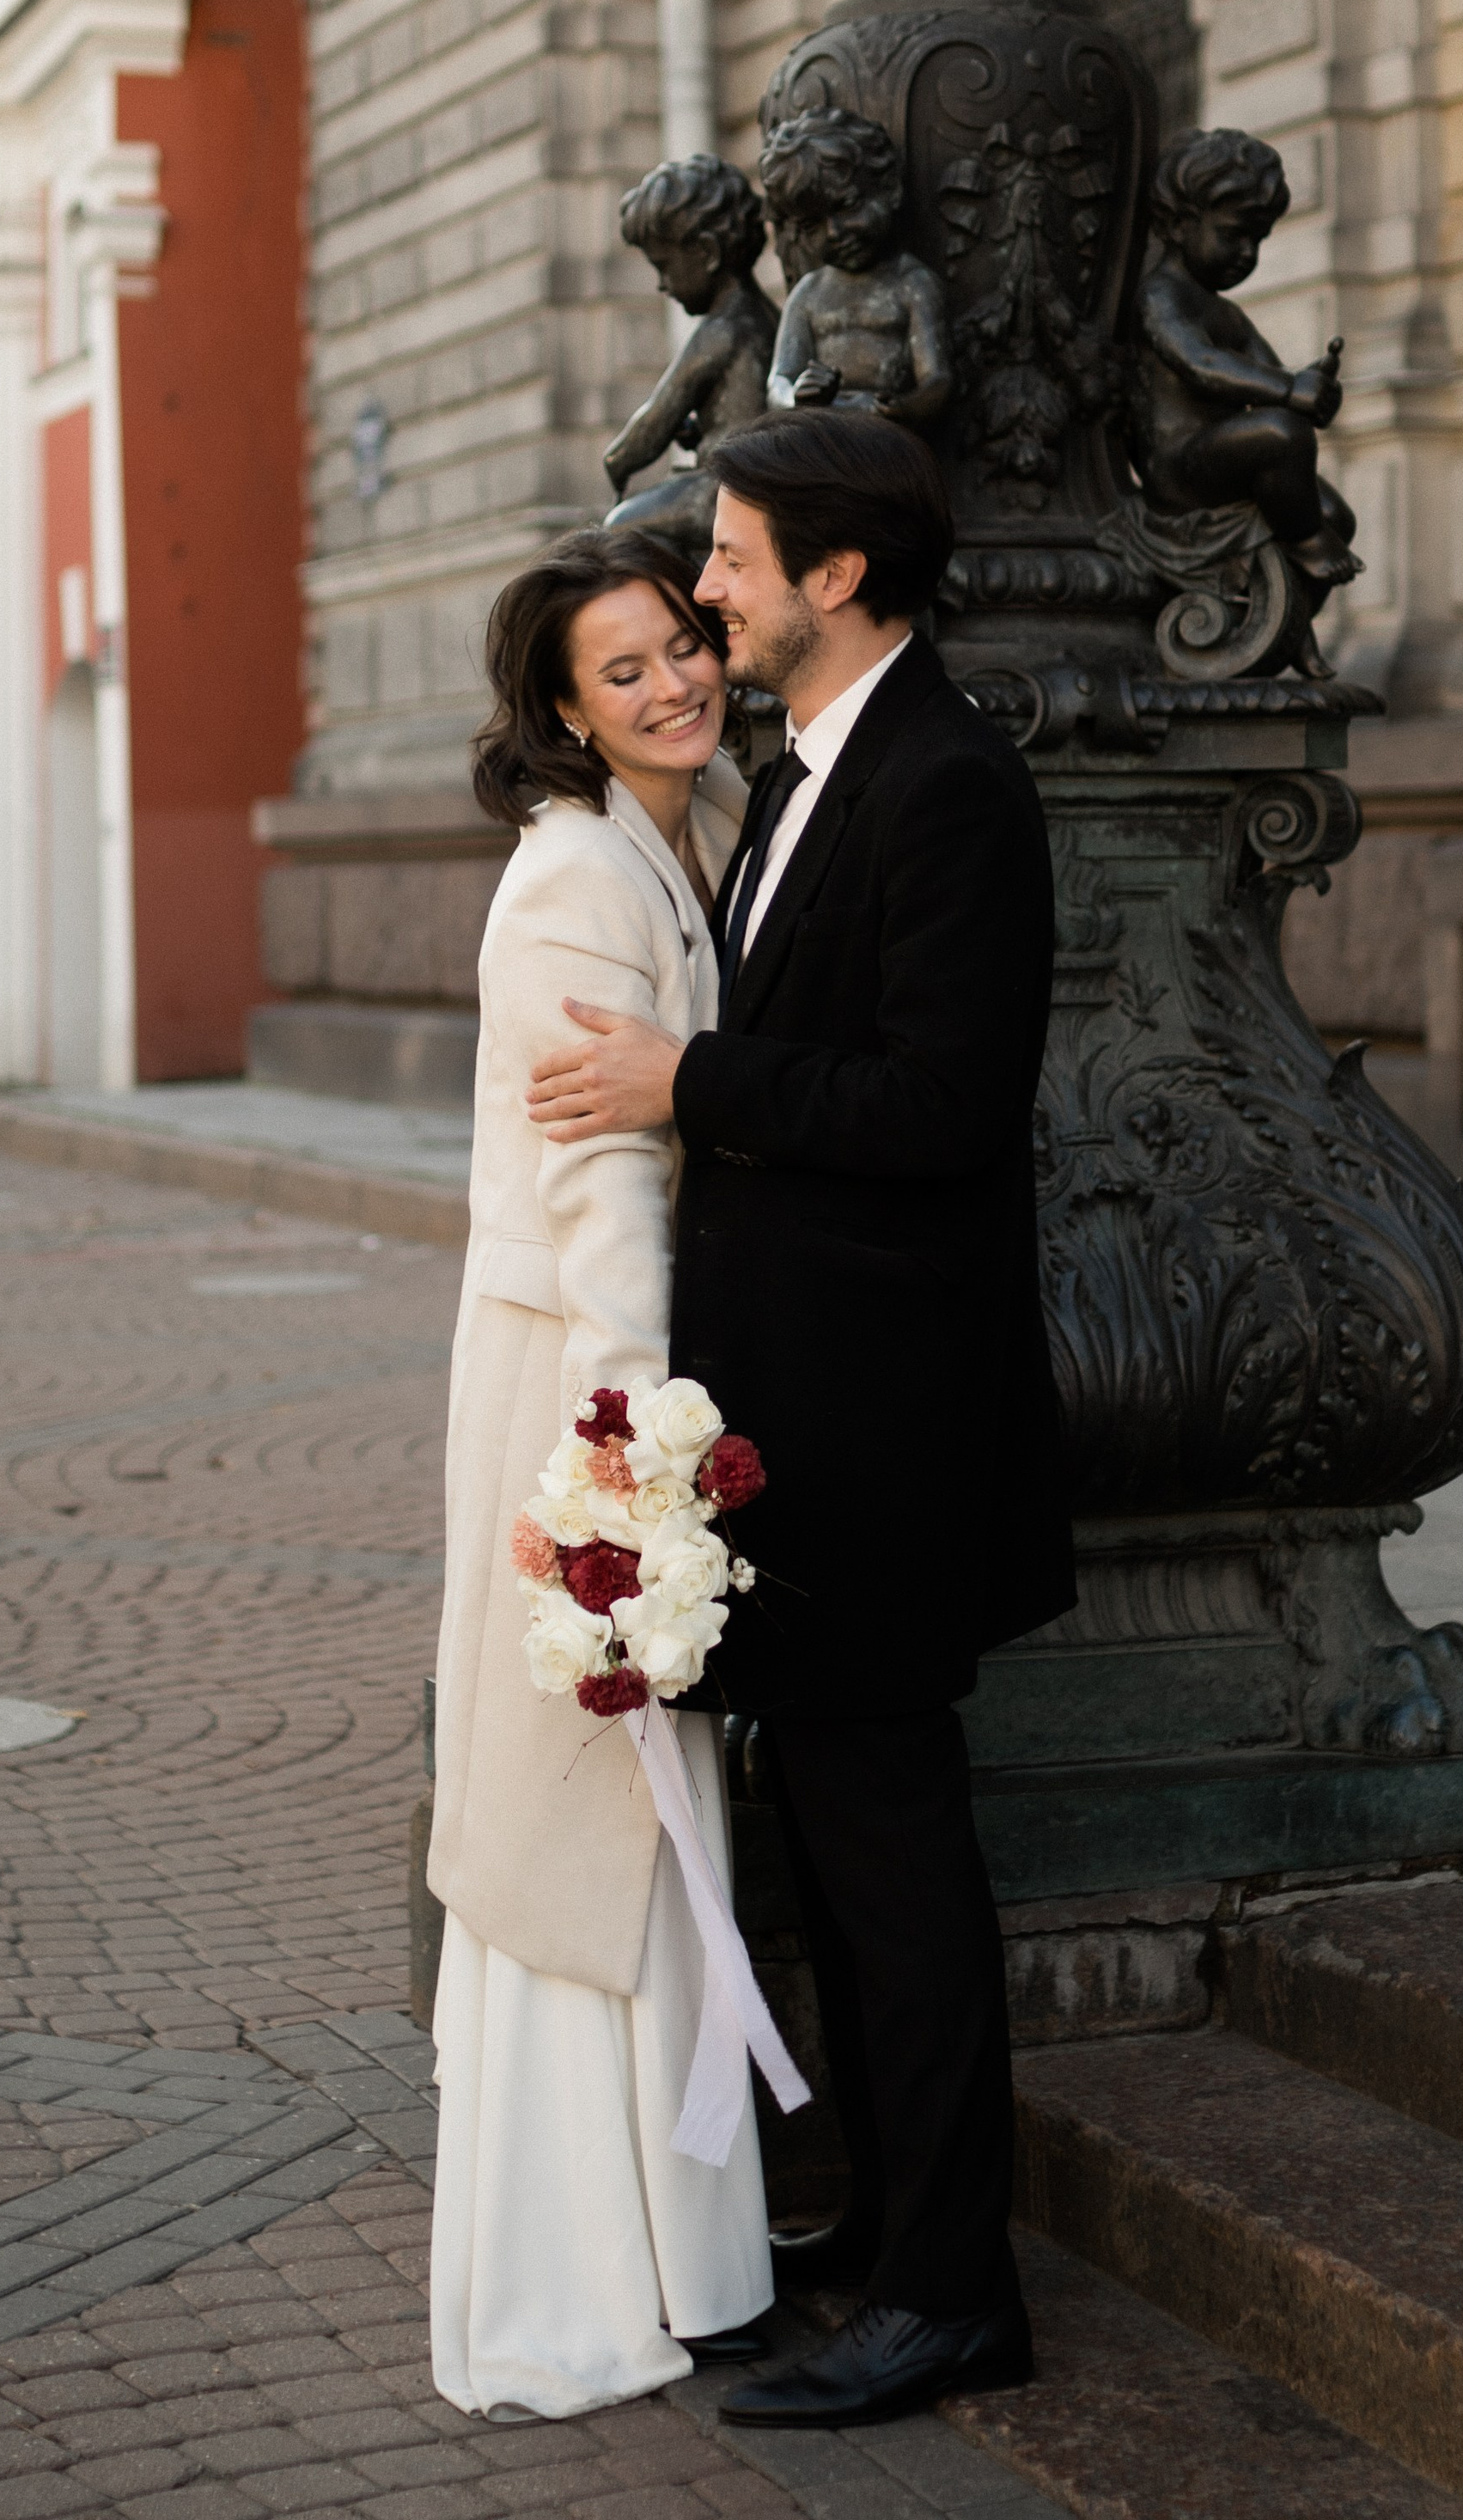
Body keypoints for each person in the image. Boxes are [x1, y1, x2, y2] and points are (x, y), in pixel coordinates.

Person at [527, 410, 1074, 2432]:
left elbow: (940, 1109)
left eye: (736, 552)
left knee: (893, 1858)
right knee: (839, 1863)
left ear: (835, 573)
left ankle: (953, 2290)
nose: (708, 587)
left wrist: (691, 1077)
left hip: (889, 1433)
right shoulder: (795, 778)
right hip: (798, 1430)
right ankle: (888, 2232)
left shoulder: (946, 784)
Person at [427, 526, 775, 2419]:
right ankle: (593, 2262)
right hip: (583, 1386)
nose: (668, 684)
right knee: (589, 1815)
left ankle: (668, 2234)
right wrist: (638, 1458)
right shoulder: (575, 878)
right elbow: (601, 1184)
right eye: (620, 671)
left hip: (605, 1380)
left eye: (678, 648)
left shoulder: (677, 836)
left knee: (639, 1820)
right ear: (560, 708)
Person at [1130, 127, 1358, 583]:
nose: (1247, 253)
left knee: (1336, 516)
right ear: (1179, 225)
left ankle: (1291, 629)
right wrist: (1292, 391)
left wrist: (1311, 385)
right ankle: (1302, 543)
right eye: (1235, 235)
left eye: (1258, 240)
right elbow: (1201, 363)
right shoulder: (1160, 296)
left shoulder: (1227, 313)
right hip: (1179, 465)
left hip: (1221, 456)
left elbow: (1267, 375)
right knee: (1282, 434)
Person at [604, 154, 782, 547]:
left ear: (707, 252)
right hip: (750, 481)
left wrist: (616, 461)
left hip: (730, 487)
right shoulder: (765, 316)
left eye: (664, 267)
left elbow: (655, 422)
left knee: (618, 527)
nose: (662, 285)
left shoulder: (720, 331)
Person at [759, 108, 953, 426]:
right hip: (823, 436)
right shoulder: (809, 293)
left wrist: (904, 408)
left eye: (847, 206)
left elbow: (938, 381)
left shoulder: (911, 283)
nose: (834, 232)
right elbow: (778, 380)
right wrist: (797, 397)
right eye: (812, 225)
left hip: (881, 438)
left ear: (889, 190)